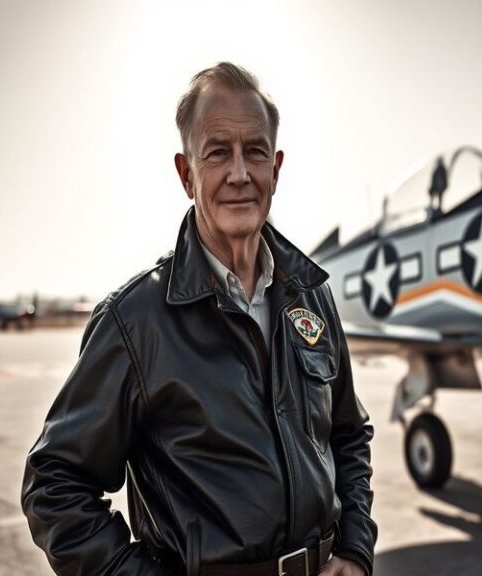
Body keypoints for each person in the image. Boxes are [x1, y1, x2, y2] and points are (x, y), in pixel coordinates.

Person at [21, 62, 377, 576]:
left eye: (254, 151)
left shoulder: (312, 298)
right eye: (217, 153)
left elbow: (347, 434)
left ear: (276, 168)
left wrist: (355, 549)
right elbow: (53, 483)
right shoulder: (135, 321)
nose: (239, 173)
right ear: (187, 174)